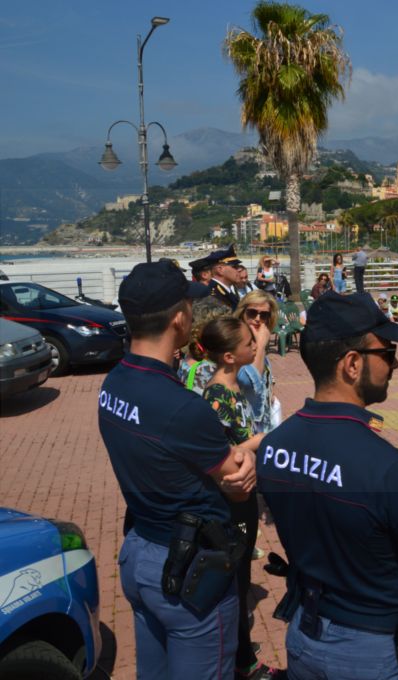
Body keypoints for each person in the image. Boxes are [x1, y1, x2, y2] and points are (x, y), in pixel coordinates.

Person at [258, 292, 398, 679]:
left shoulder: (274, 446)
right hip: (371, 647)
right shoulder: (389, 468)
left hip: (304, 631)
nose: (394, 363)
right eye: (387, 353)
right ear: (352, 364)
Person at [99, 259, 257, 678]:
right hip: (188, 568)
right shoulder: (182, 407)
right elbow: (236, 484)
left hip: (140, 550)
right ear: (179, 318)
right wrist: (247, 459)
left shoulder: (113, 383)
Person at [198, 316, 281, 680]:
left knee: (243, 572)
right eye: (249, 343)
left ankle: (238, 646)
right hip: (232, 498)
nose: (255, 346)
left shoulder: (234, 386)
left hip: (244, 494)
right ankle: (242, 660)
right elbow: (218, 454)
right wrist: (259, 441)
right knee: (237, 577)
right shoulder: (216, 396)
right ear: (229, 357)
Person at [236, 290, 279, 435]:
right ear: (242, 312)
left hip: (263, 422)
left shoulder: (257, 338)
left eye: (264, 315)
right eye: (252, 313)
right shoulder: (235, 341)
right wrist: (261, 345)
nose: (257, 319)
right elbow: (248, 381)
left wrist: (271, 390)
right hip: (245, 424)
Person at [209, 244, 245, 310]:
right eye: (235, 267)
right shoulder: (214, 295)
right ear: (220, 270)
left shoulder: (225, 291)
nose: (239, 270)